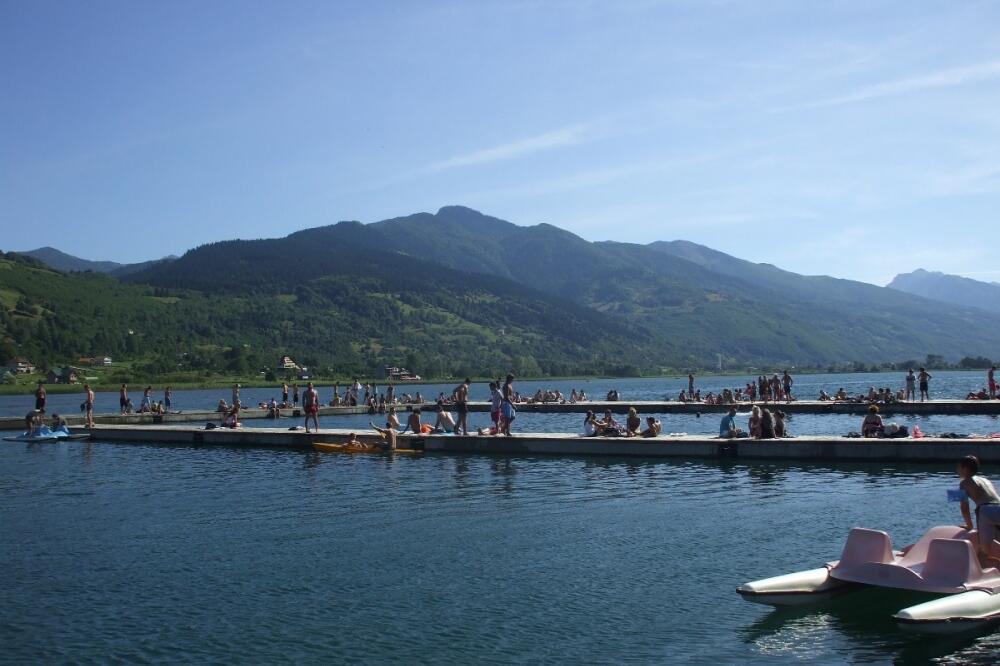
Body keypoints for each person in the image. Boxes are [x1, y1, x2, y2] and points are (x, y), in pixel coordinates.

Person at [957, 455, 1000, 563]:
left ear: (965, 468)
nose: (957, 470)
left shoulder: (963, 483)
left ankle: (987, 571)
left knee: (985, 548)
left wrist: (969, 525)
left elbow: (964, 507)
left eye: (959, 467)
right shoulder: (986, 480)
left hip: (985, 510)